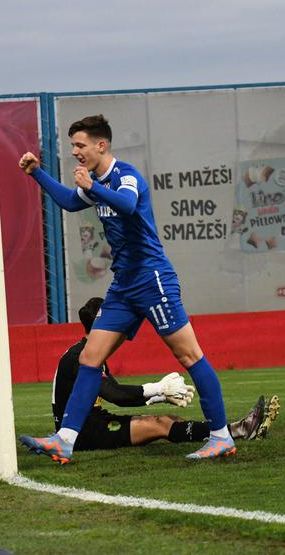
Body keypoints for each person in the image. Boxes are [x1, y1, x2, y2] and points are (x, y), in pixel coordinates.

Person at [18, 114, 235, 462]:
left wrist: (92, 187)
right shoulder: (96, 183)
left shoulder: (125, 176)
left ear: (101, 145)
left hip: (152, 280)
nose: (75, 151)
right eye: (72, 145)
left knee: (189, 356)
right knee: (91, 357)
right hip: (123, 286)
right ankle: (65, 440)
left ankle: (221, 436)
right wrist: (37, 173)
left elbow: (128, 204)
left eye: (80, 145)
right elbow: (71, 202)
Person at [51, 297, 279, 451]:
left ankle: (237, 429)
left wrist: (161, 397)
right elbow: (116, 394)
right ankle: (240, 429)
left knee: (172, 420)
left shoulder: (88, 353)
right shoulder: (81, 358)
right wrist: (158, 389)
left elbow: (116, 395)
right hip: (82, 433)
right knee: (160, 424)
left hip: (93, 424)